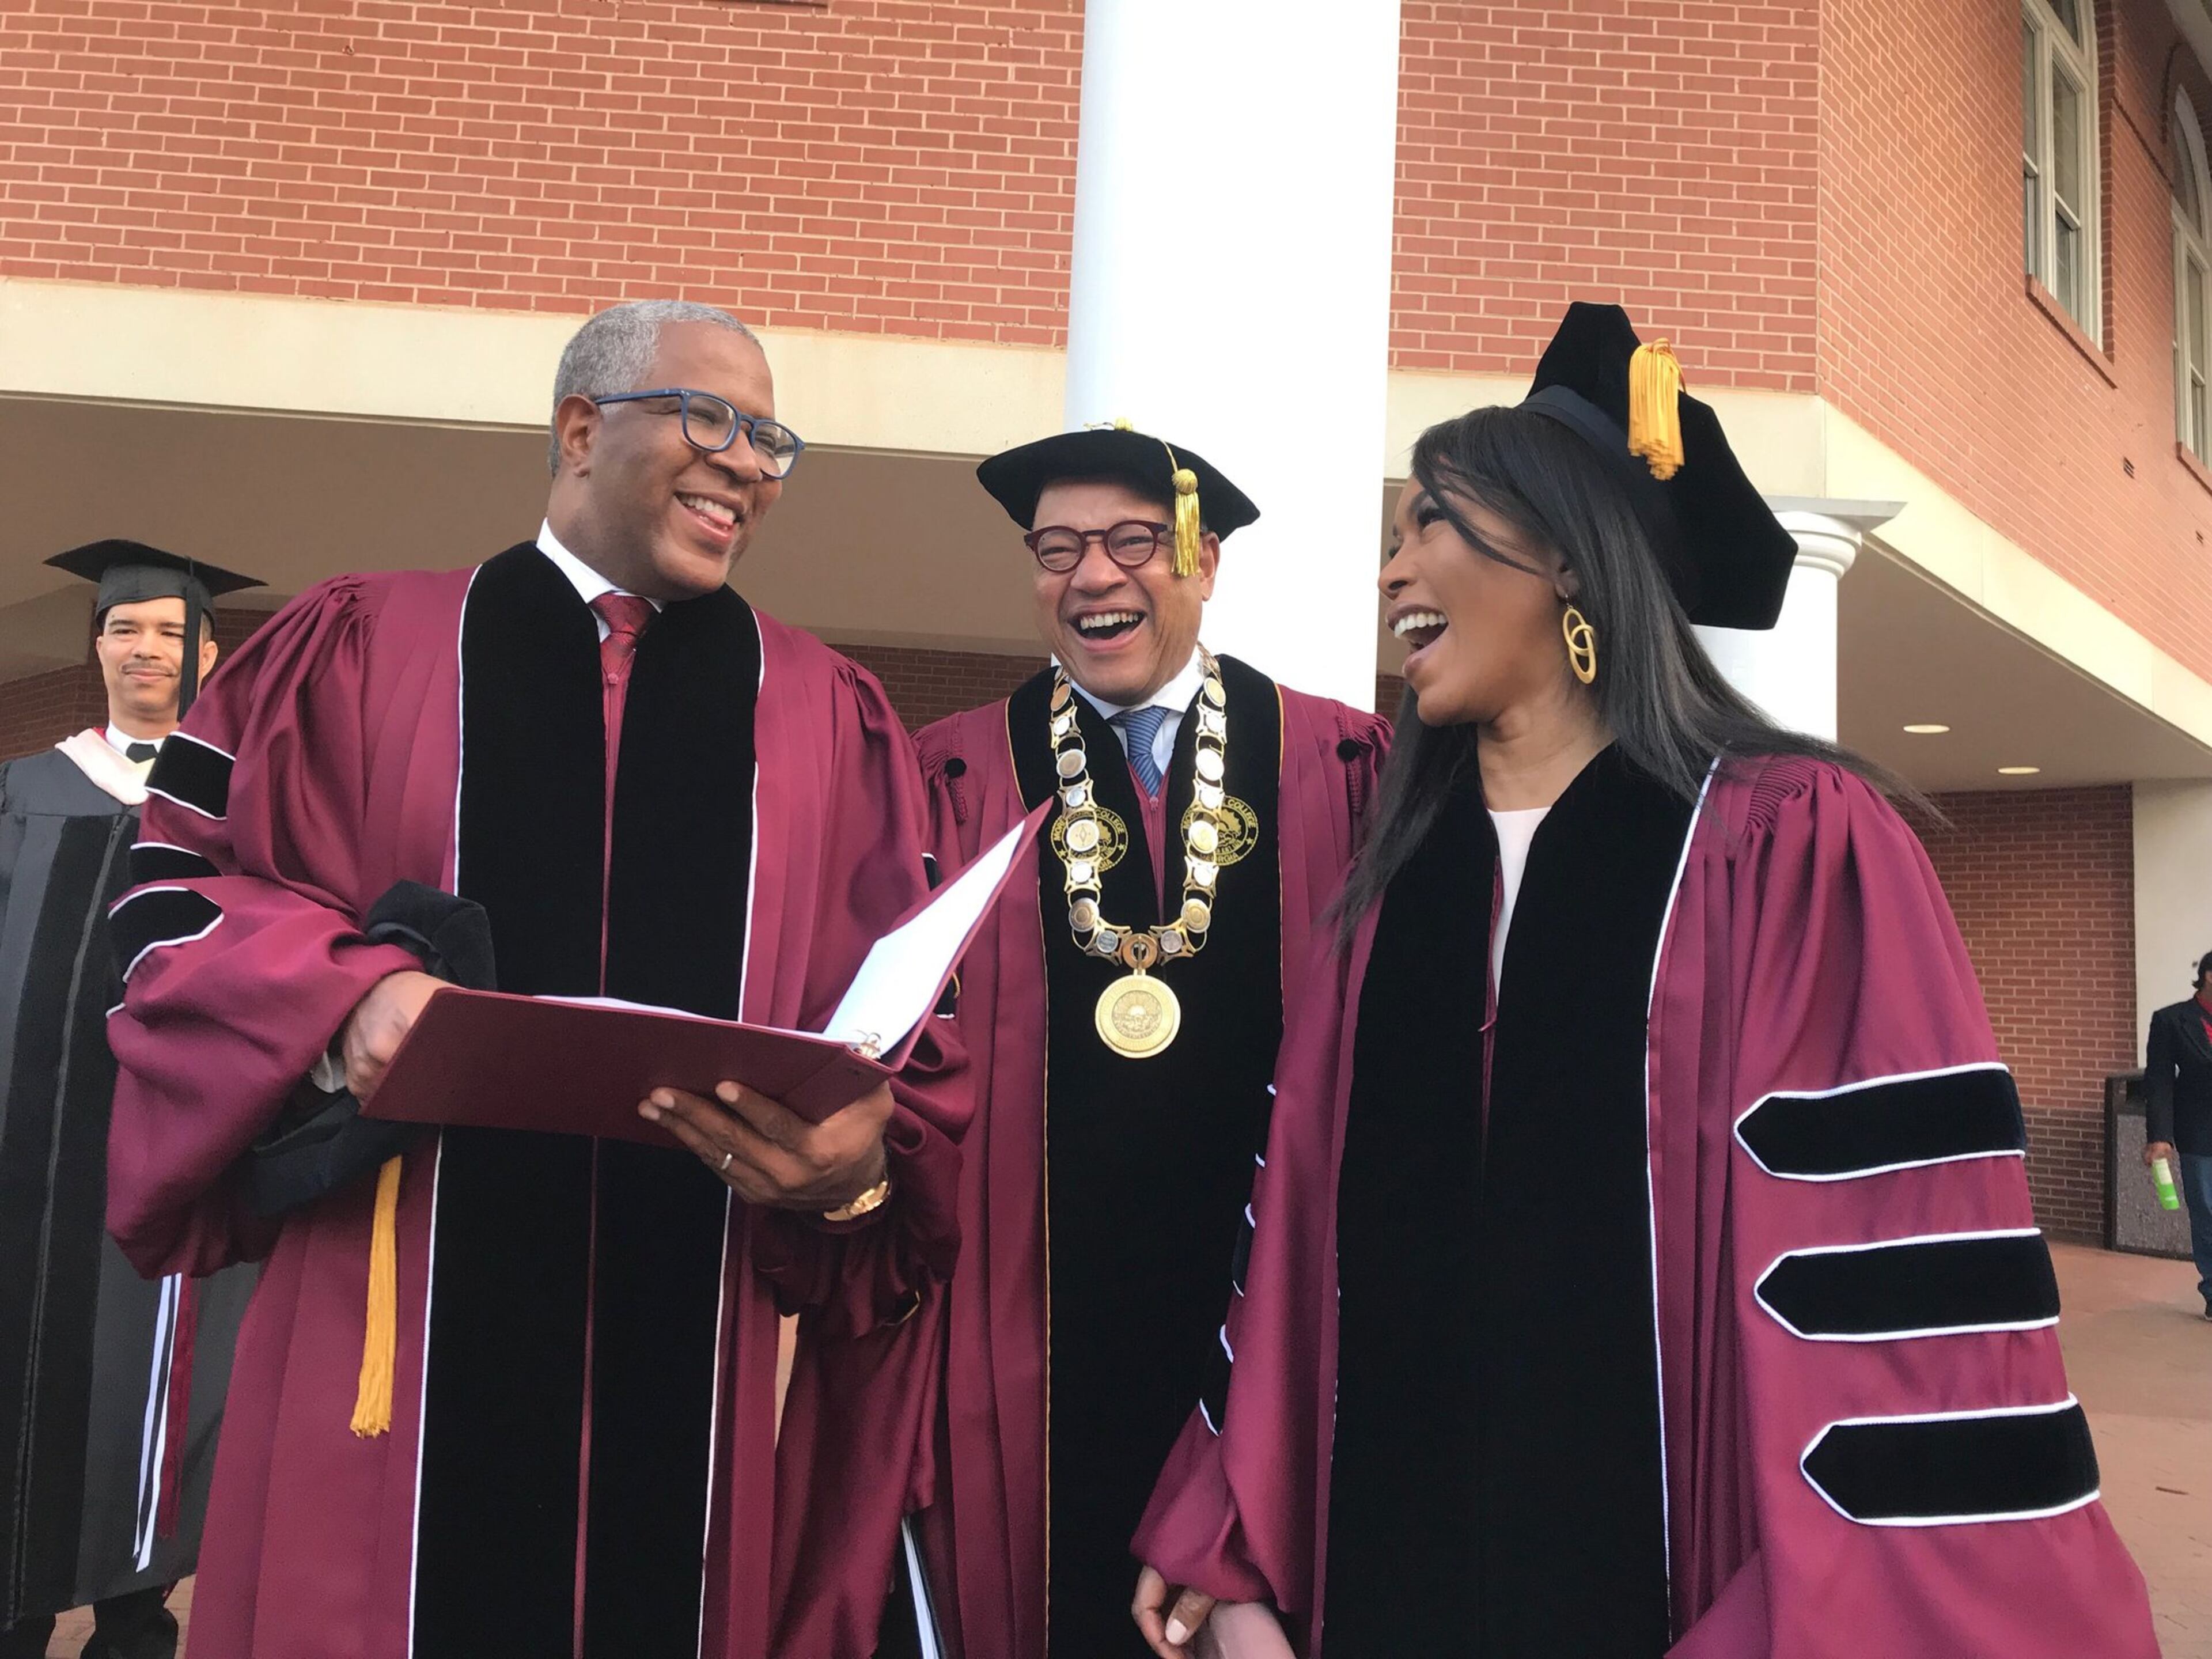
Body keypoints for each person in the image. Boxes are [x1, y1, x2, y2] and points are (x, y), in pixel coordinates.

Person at [1131, 304, 2158, 1658]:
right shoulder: (1386, 899)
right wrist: (1235, 1545)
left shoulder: (1788, 849)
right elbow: (1296, 1237)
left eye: (1431, 521)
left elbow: (1900, 1294)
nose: (1394, 572)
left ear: (1563, 555)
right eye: (1393, 538)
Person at [101, 300, 967, 1659]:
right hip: (394, 1322)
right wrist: (339, 1000)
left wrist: (856, 1159)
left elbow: (914, 1019)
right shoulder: (360, 647)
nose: (747, 463)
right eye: (709, 419)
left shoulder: (828, 716)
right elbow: (165, 899)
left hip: (688, 1337)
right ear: (579, 428)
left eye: (769, 439)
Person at [785, 425, 1387, 1659]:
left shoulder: (1344, 763)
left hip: (1267, 1308)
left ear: (1202, 561)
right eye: (1055, 550)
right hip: (1021, 1325)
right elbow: (890, 1051)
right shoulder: (946, 776)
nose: (1090, 577)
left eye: (1130, 543)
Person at [0, 544, 260, 1659]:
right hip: (27, 1153)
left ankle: (133, 1609)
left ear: (208, 650)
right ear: (96, 646)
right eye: (123, 629)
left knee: (166, 1368)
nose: (144, 648)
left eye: (167, 631)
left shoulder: (244, 794)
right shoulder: (27, 788)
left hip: (176, 1146)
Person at [2142, 952, 2212, 1319]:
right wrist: (2160, 1136)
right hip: (2201, 1133)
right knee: (2208, 1215)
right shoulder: (2172, 1021)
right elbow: (2160, 1083)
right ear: (2209, 977)